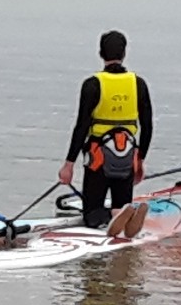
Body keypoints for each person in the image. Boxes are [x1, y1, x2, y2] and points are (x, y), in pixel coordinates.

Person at [56, 29, 153, 227]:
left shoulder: (92, 84)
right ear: (124, 54)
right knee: (121, 201)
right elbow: (148, 125)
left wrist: (69, 164)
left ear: (100, 53)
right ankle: (120, 214)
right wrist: (140, 159)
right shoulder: (138, 84)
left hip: (97, 158)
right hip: (127, 156)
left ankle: (101, 220)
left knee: (92, 212)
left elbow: (81, 127)